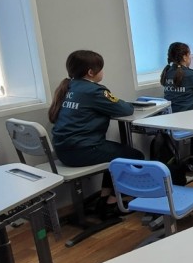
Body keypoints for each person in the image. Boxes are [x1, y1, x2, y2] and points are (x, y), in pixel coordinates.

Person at [49, 50, 144, 217]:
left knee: (113, 153)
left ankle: (104, 197)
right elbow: (125, 109)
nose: (103, 72)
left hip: (63, 150)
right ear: (91, 72)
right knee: (135, 156)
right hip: (82, 150)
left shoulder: (68, 87)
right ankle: (113, 203)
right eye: (101, 68)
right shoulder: (94, 91)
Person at [160, 42, 193, 113]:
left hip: (169, 114)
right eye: (189, 55)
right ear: (185, 57)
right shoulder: (190, 74)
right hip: (187, 114)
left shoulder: (167, 71)